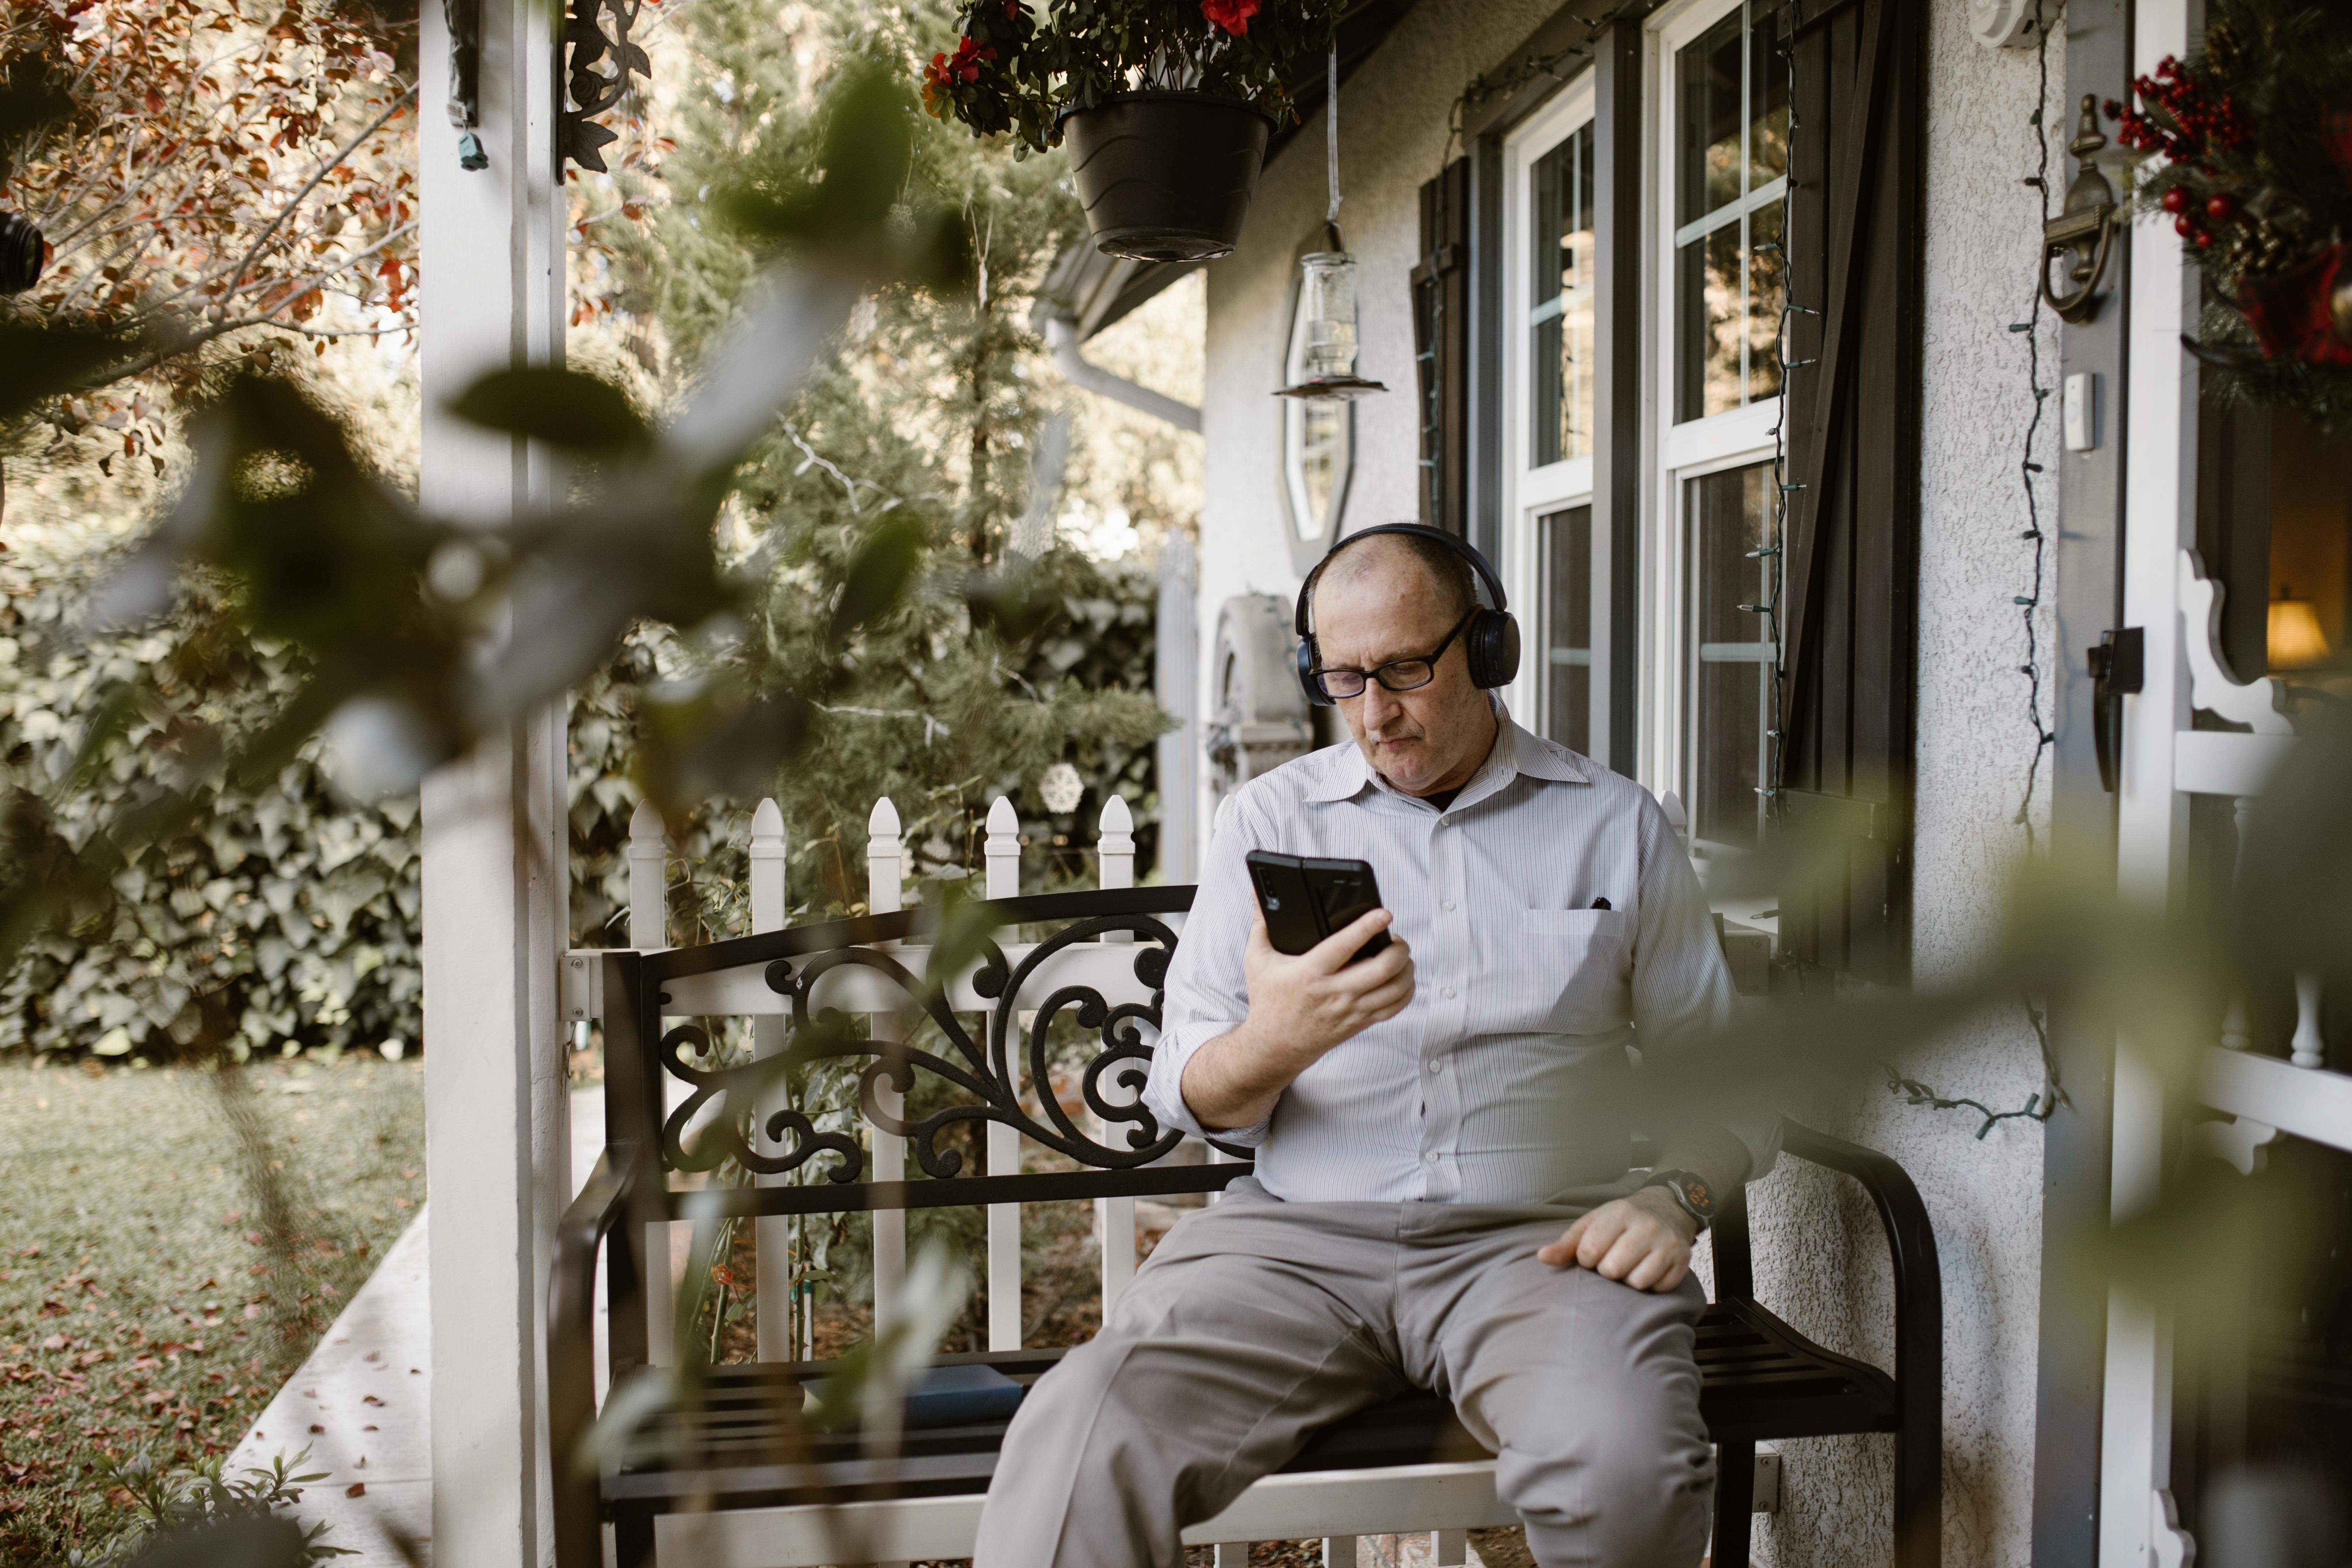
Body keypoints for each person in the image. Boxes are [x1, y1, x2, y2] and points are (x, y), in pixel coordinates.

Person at [972, 524, 1773, 1568]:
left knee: (1630, 1469)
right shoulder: (1268, 818)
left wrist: (1676, 1198)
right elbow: (1186, 1088)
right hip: (1292, 1244)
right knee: (1078, 1438)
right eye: (1342, 677)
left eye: (1403, 668)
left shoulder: (1614, 826)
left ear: (1490, 648)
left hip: (1541, 1247)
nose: (1374, 713)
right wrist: (1278, 1037)